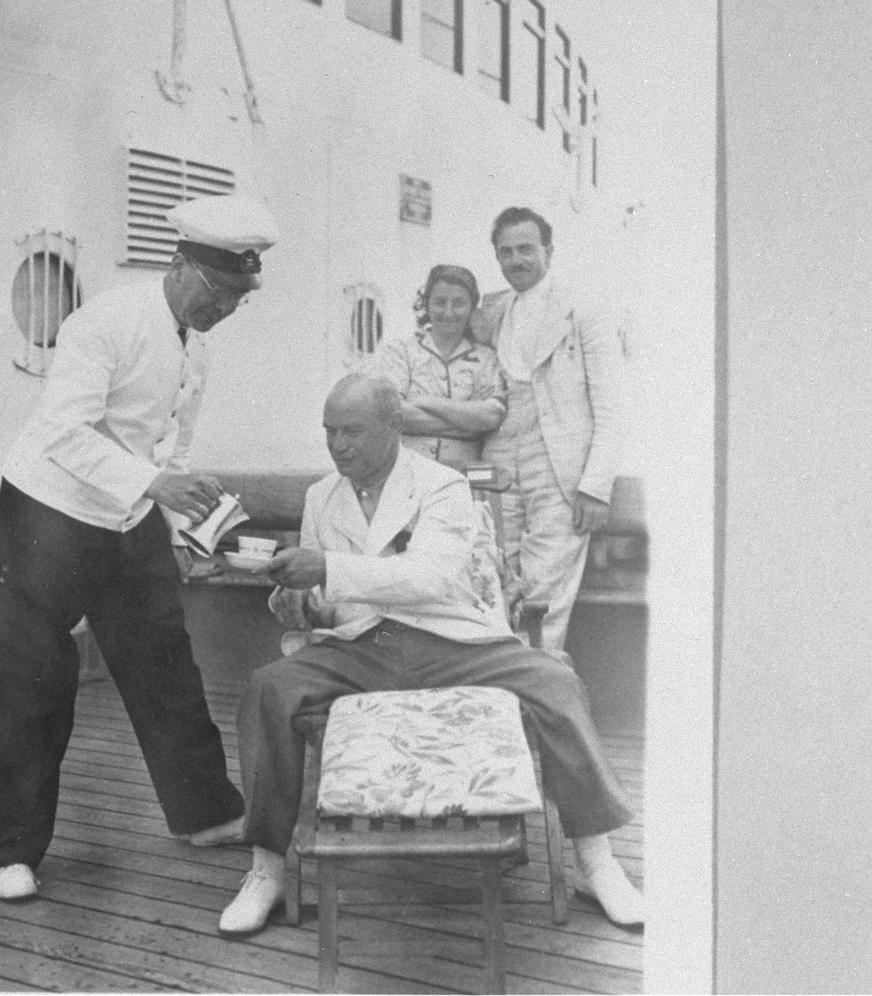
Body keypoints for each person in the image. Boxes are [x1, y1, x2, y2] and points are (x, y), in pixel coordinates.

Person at [216, 374, 643, 936]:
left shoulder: (441, 485)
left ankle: (596, 862)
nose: (338, 445)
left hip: (450, 640)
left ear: (394, 430)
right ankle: (267, 870)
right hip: (363, 646)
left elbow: (432, 578)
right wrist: (296, 599)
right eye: (329, 431)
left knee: (555, 681)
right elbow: (325, 602)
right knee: (269, 687)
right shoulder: (323, 496)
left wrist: (325, 570)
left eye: (352, 431)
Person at [0, 194, 271, 901]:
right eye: (217, 292)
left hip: (130, 512)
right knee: (32, 679)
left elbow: (175, 446)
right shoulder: (104, 321)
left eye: (236, 299)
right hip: (48, 509)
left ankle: (203, 811)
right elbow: (62, 432)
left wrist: (180, 529)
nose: (223, 309)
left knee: (164, 658)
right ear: (180, 264)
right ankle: (8, 850)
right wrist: (156, 486)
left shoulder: (197, 349)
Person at [471, 207, 625, 652]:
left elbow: (611, 407)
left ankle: (536, 695)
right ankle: (500, 695)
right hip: (500, 461)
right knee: (496, 574)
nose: (516, 260)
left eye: (526, 249)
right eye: (506, 252)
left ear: (549, 251)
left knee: (544, 596)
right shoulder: (496, 310)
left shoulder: (586, 310)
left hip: (557, 467)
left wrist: (596, 487)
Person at [369, 264, 505, 470]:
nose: (448, 312)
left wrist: (425, 401)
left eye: (459, 303)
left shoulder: (486, 358)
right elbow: (392, 412)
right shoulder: (401, 351)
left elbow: (492, 416)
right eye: (440, 302)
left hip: (463, 473)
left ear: (471, 308)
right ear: (427, 304)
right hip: (407, 468)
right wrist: (468, 423)